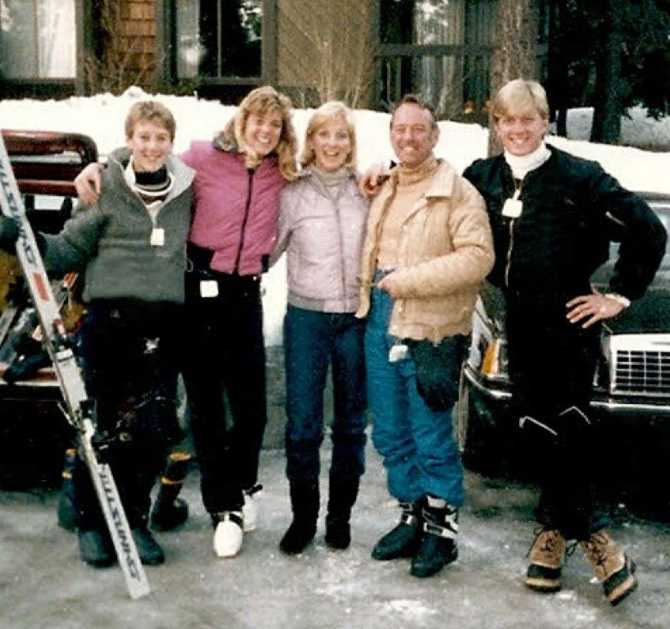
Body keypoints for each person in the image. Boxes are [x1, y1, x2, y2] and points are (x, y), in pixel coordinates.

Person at [462, 79, 667, 606]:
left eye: (528, 119)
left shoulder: (579, 177)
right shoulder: (482, 178)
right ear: (496, 122)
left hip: (571, 323)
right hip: (520, 324)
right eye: (508, 120)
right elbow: (436, 204)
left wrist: (618, 295)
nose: (518, 129)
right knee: (535, 430)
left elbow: (648, 229)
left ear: (546, 120)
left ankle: (586, 539)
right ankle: (561, 531)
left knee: (570, 430)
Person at [74, 86, 299, 558]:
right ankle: (223, 507)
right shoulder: (204, 157)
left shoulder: (285, 169)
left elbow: (334, 163)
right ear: (241, 121)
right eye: (256, 120)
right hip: (196, 288)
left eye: (274, 124)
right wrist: (101, 165)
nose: (264, 130)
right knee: (204, 406)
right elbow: (152, 154)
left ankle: (244, 484)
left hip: (243, 293)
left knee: (251, 404)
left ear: (282, 133)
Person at [1, 100, 195, 567]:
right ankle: (91, 522)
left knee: (152, 429)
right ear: (129, 139)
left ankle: (134, 520)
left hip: (163, 323)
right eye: (143, 137)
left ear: (171, 142)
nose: (152, 146)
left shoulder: (187, 188)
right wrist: (20, 237)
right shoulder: (105, 186)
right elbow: (68, 248)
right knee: (99, 427)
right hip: (110, 320)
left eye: (161, 138)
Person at [356, 94, 494, 578]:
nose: (409, 137)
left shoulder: (457, 191)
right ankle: (411, 515)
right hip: (380, 317)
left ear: (435, 136)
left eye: (419, 129)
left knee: (430, 431)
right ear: (391, 135)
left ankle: (442, 531)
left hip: (431, 325)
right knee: (391, 430)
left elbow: (479, 257)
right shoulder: (385, 184)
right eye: (401, 129)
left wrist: (410, 281)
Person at [270, 101, 368, 554]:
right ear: (310, 141)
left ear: (351, 144)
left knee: (350, 426)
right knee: (303, 425)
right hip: (307, 318)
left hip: (355, 319)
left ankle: (339, 519)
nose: (333, 144)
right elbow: (264, 250)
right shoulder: (291, 192)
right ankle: (303, 519)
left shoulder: (368, 190)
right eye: (324, 135)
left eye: (341, 136)